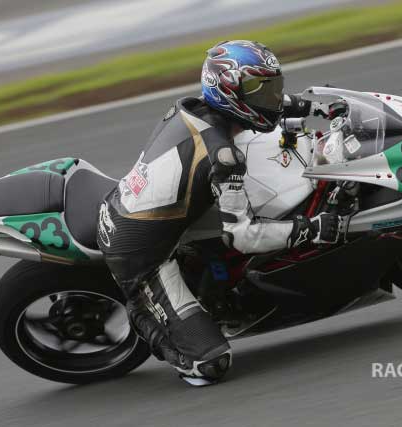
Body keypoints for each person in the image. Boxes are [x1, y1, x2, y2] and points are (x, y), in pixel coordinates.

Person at [96, 40, 339, 386]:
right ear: (228, 91)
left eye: (272, 85)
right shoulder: (223, 158)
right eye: (260, 88)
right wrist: (311, 229)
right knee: (210, 366)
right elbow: (243, 237)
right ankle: (143, 314)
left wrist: (317, 105)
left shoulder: (194, 106)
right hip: (139, 253)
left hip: (151, 209)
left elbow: (267, 106)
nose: (271, 96)